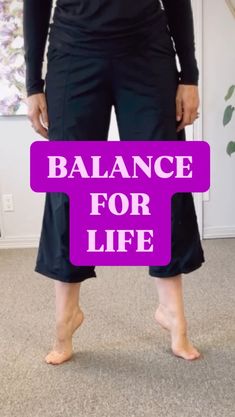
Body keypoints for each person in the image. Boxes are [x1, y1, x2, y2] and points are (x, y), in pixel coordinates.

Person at [23, 0, 205, 365]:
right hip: (73, 50)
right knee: (69, 186)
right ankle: (66, 315)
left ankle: (172, 312)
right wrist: (32, 83)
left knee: (161, 179)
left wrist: (189, 76)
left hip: (146, 51)